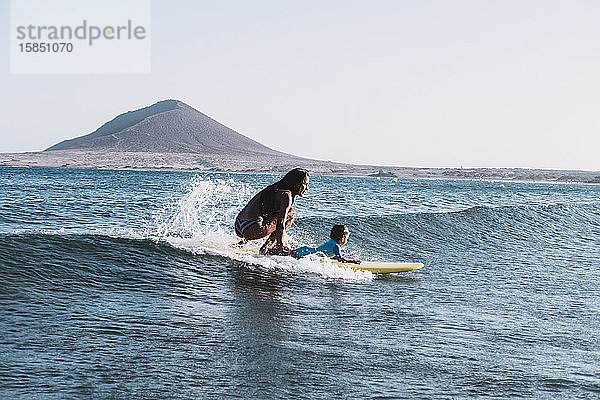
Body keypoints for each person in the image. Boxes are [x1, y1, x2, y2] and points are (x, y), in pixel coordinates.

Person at [235, 168, 309, 255]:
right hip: (251, 228)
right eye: (305, 184)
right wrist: (281, 245)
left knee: (271, 214)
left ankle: (242, 244)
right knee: (291, 214)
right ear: (296, 183)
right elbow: (280, 223)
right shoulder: (286, 195)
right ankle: (267, 248)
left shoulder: (273, 189)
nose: (307, 188)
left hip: (239, 226)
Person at [292, 224, 361, 263]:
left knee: (288, 255)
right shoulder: (336, 246)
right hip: (309, 254)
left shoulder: (331, 241)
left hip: (307, 250)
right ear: (343, 238)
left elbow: (328, 253)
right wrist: (352, 261)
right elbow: (340, 259)